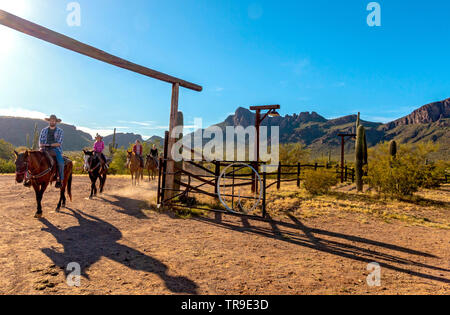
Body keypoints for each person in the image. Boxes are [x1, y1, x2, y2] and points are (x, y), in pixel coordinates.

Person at [38, 114, 65, 188]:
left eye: (54, 120)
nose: (52, 121)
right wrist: (41, 146)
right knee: (33, 158)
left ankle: (60, 179)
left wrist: (49, 145)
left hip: (55, 149)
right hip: (44, 148)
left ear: (56, 122)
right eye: (51, 120)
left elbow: (59, 143)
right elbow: (40, 141)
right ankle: (29, 177)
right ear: (49, 121)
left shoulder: (60, 131)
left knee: (61, 162)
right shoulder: (44, 130)